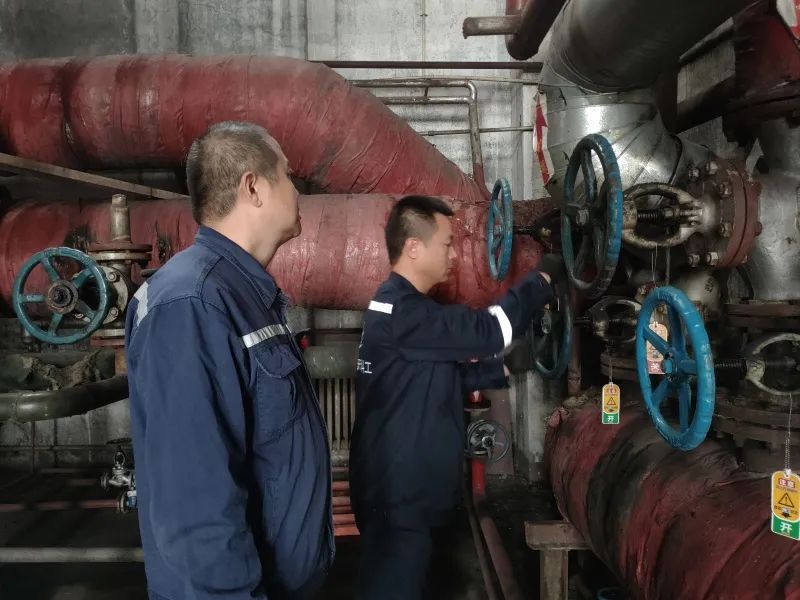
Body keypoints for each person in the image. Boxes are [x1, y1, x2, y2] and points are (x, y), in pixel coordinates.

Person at [125, 121, 334, 600]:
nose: (297, 190)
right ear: (253, 187)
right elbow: (196, 509)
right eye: (287, 176)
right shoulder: (192, 303)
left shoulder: (239, 292)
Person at [349, 195, 554, 600]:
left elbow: (427, 379)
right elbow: (491, 330)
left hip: (398, 488)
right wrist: (541, 281)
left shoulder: (396, 306)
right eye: (446, 244)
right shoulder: (407, 314)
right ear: (413, 247)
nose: (455, 256)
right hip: (400, 496)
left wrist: (498, 371)